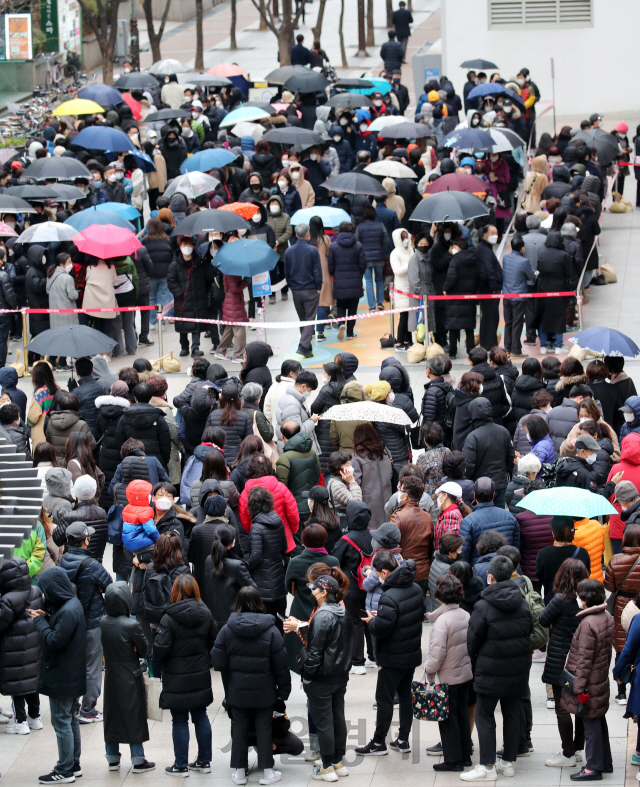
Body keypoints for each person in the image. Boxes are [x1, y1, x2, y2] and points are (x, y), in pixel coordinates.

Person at [462, 555, 533, 782]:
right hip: (517, 668)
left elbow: (472, 640)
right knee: (512, 713)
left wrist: (477, 658)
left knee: (485, 715)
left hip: (489, 668)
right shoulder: (522, 602)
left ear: (490, 577)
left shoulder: (482, 605)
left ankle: (486, 766)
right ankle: (508, 762)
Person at [213, 584, 291, 787]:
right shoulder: (271, 630)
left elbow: (217, 659)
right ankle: (267, 772)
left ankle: (239, 772)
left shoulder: (227, 629)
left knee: (239, 729)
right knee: (264, 729)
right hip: (265, 692)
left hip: (237, 691)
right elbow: (281, 664)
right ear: (259, 603)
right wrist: (283, 690)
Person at [357, 553, 424, 756]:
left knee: (384, 699)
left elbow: (383, 629)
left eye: (378, 574)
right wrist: (383, 615)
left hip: (392, 656)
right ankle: (403, 739)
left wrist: (372, 621)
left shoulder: (389, 596)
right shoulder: (416, 588)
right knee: (405, 696)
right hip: (411, 654)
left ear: (384, 572)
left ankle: (378, 743)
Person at [154, 575, 217, 777]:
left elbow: (161, 648)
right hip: (199, 675)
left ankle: (180, 765)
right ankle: (204, 761)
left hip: (176, 677)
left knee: (179, 720)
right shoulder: (206, 613)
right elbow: (214, 643)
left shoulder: (169, 618)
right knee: (201, 715)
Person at [30, 567, 86, 784]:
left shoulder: (68, 610)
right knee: (70, 718)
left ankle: (64, 769)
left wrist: (40, 622)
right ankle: (73, 763)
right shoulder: (71, 605)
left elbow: (54, 640)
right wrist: (48, 616)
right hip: (71, 674)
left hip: (63, 675)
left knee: (61, 721)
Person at [299, 574, 353, 782]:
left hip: (322, 677)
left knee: (324, 723)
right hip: (340, 676)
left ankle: (327, 766)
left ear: (324, 592)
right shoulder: (343, 612)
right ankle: (338, 762)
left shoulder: (322, 616)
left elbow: (315, 653)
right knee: (338, 718)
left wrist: (308, 676)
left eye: (314, 589)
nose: (311, 592)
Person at [560, 578, 614, 781]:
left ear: (586, 598)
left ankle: (592, 767)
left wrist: (579, 689)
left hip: (589, 683)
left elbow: (583, 661)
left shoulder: (587, 623)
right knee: (599, 721)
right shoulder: (606, 617)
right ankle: (604, 762)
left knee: (591, 724)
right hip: (600, 680)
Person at [59, 521, 112, 724]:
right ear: (86, 541)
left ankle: (73, 705)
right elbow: (109, 585)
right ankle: (88, 709)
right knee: (92, 666)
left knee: (73, 664)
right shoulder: (92, 565)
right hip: (91, 622)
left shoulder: (62, 561)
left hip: (69, 622)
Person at [540, 558, 590, 767]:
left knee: (562, 707)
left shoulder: (560, 599)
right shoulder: (588, 599)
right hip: (581, 658)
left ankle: (567, 753)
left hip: (560, 658)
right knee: (580, 705)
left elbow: (543, 620)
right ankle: (578, 748)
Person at [100, 582, 155, 773]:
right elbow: (144, 649)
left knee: (112, 715)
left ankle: (112, 757)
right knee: (134, 716)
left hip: (112, 675)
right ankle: (138, 759)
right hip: (131, 675)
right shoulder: (131, 625)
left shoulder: (103, 623)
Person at [423, 573, 473, 772]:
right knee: (461, 715)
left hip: (448, 677)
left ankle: (453, 760)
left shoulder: (442, 622)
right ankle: (465, 755)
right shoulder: (465, 615)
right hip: (464, 673)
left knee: (447, 719)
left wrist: (428, 670)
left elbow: (437, 654)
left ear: (438, 596)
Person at [0, 557, 43, 735]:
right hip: (33, 645)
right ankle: (35, 717)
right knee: (31, 682)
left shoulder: (8, 600)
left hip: (13, 649)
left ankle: (20, 721)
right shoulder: (35, 591)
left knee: (17, 685)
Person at [332, 500, 374, 674]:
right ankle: (374, 656)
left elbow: (335, 560)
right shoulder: (374, 534)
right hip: (372, 587)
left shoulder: (346, 540)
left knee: (355, 623)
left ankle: (358, 662)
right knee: (369, 620)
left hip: (353, 588)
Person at [603, 524, 640, 704]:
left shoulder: (616, 560)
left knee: (621, 645)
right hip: (639, 603)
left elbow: (609, 586)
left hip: (622, 605)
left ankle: (621, 691)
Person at [245, 485, 288, 625]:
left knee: (264, 623)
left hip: (262, 584)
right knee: (280, 622)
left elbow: (256, 556)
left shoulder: (256, 527)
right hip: (279, 580)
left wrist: (245, 566)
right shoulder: (278, 520)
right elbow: (284, 548)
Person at [462, 399, 514, 509]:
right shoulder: (503, 431)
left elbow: (469, 465)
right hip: (500, 484)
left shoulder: (473, 437)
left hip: (481, 487)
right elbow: (510, 458)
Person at [167, 235, 213, 358]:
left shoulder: (199, 263)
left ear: (193, 247)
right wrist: (179, 293)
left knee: (196, 325)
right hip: (182, 301)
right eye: (184, 245)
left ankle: (195, 347)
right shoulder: (175, 265)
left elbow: (207, 279)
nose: (187, 248)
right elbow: (171, 281)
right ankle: (184, 347)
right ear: (180, 247)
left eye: (189, 245)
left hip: (198, 299)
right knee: (183, 326)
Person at [443, 239, 487, 359]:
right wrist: (476, 288)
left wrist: (445, 289)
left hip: (455, 298)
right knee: (469, 327)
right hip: (470, 297)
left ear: (457, 246)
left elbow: (451, 278)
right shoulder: (475, 259)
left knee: (453, 326)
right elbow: (483, 275)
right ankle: (471, 351)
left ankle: (452, 352)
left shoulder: (455, 260)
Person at [460, 477, 520, 564]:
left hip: (479, 572)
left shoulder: (468, 522)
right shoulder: (509, 517)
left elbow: (464, 555)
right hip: (506, 570)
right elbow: (516, 549)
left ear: (474, 496)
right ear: (493, 495)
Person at [284, 223, 322, 359]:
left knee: (303, 319)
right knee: (310, 318)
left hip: (296, 290)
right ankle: (303, 345)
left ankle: (306, 346)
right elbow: (317, 270)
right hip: (310, 288)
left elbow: (286, 272)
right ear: (308, 234)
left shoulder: (289, 251)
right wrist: (319, 286)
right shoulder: (312, 250)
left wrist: (291, 285)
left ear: (296, 235)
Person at [391, 475, 434, 593]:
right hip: (424, 572)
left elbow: (391, 546)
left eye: (401, 490)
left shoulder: (397, 516)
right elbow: (430, 547)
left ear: (406, 496)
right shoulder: (427, 517)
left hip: (404, 572)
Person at [115, 382, 171, 470]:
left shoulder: (125, 417)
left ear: (135, 398)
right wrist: (163, 463)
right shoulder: (158, 418)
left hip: (131, 463)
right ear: (150, 397)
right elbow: (165, 445)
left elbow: (119, 443)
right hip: (155, 463)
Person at [328, 222, 368, 340]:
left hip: (340, 281)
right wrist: (359, 274)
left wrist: (335, 274)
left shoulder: (334, 246)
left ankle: (341, 324)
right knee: (352, 308)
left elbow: (330, 265)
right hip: (355, 281)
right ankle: (350, 332)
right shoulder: (358, 246)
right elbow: (363, 264)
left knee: (340, 305)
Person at [350, 423, 393, 528]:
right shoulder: (385, 452)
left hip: (368, 504)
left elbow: (355, 483)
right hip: (388, 500)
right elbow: (391, 475)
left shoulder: (356, 458)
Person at [502, 235, 535, 357]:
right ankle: (516, 350)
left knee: (508, 322)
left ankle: (507, 348)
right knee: (517, 323)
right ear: (522, 248)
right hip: (519, 297)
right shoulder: (524, 261)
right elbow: (531, 277)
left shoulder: (506, 258)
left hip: (506, 295)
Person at [205, 386, 253, 467]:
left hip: (217, 460)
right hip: (238, 462)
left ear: (222, 398)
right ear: (238, 399)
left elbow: (206, 439)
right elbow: (249, 441)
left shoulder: (212, 415)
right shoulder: (244, 416)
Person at [548, 383, 593, 454]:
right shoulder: (581, 416)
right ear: (581, 398)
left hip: (553, 456)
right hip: (571, 457)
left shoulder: (552, 412)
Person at [27, 361, 60, 449]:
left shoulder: (40, 394)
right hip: (56, 431)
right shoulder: (57, 389)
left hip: (41, 433)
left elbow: (32, 418)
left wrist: (28, 425)